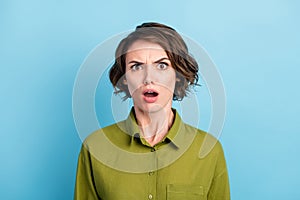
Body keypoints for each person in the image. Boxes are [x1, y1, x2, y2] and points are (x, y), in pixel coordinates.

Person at [74, 22, 230, 200]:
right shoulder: (95, 147)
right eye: (136, 66)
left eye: (161, 65)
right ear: (125, 79)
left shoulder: (209, 150)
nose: (149, 78)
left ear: (178, 75)